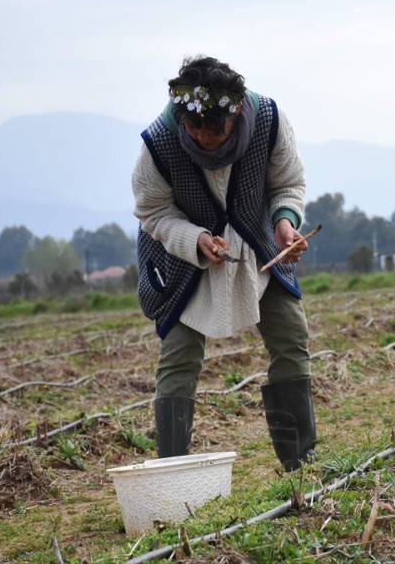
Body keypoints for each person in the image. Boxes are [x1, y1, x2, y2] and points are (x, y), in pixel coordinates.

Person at [131, 56, 316, 471]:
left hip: (260, 248)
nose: (201, 136)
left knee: (291, 337)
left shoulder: (268, 121)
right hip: (183, 258)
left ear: (234, 115)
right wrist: (195, 238)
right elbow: (153, 213)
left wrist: (285, 222)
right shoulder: (159, 143)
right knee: (178, 356)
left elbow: (287, 183)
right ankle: (171, 473)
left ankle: (302, 465)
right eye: (192, 127)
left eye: (212, 128)